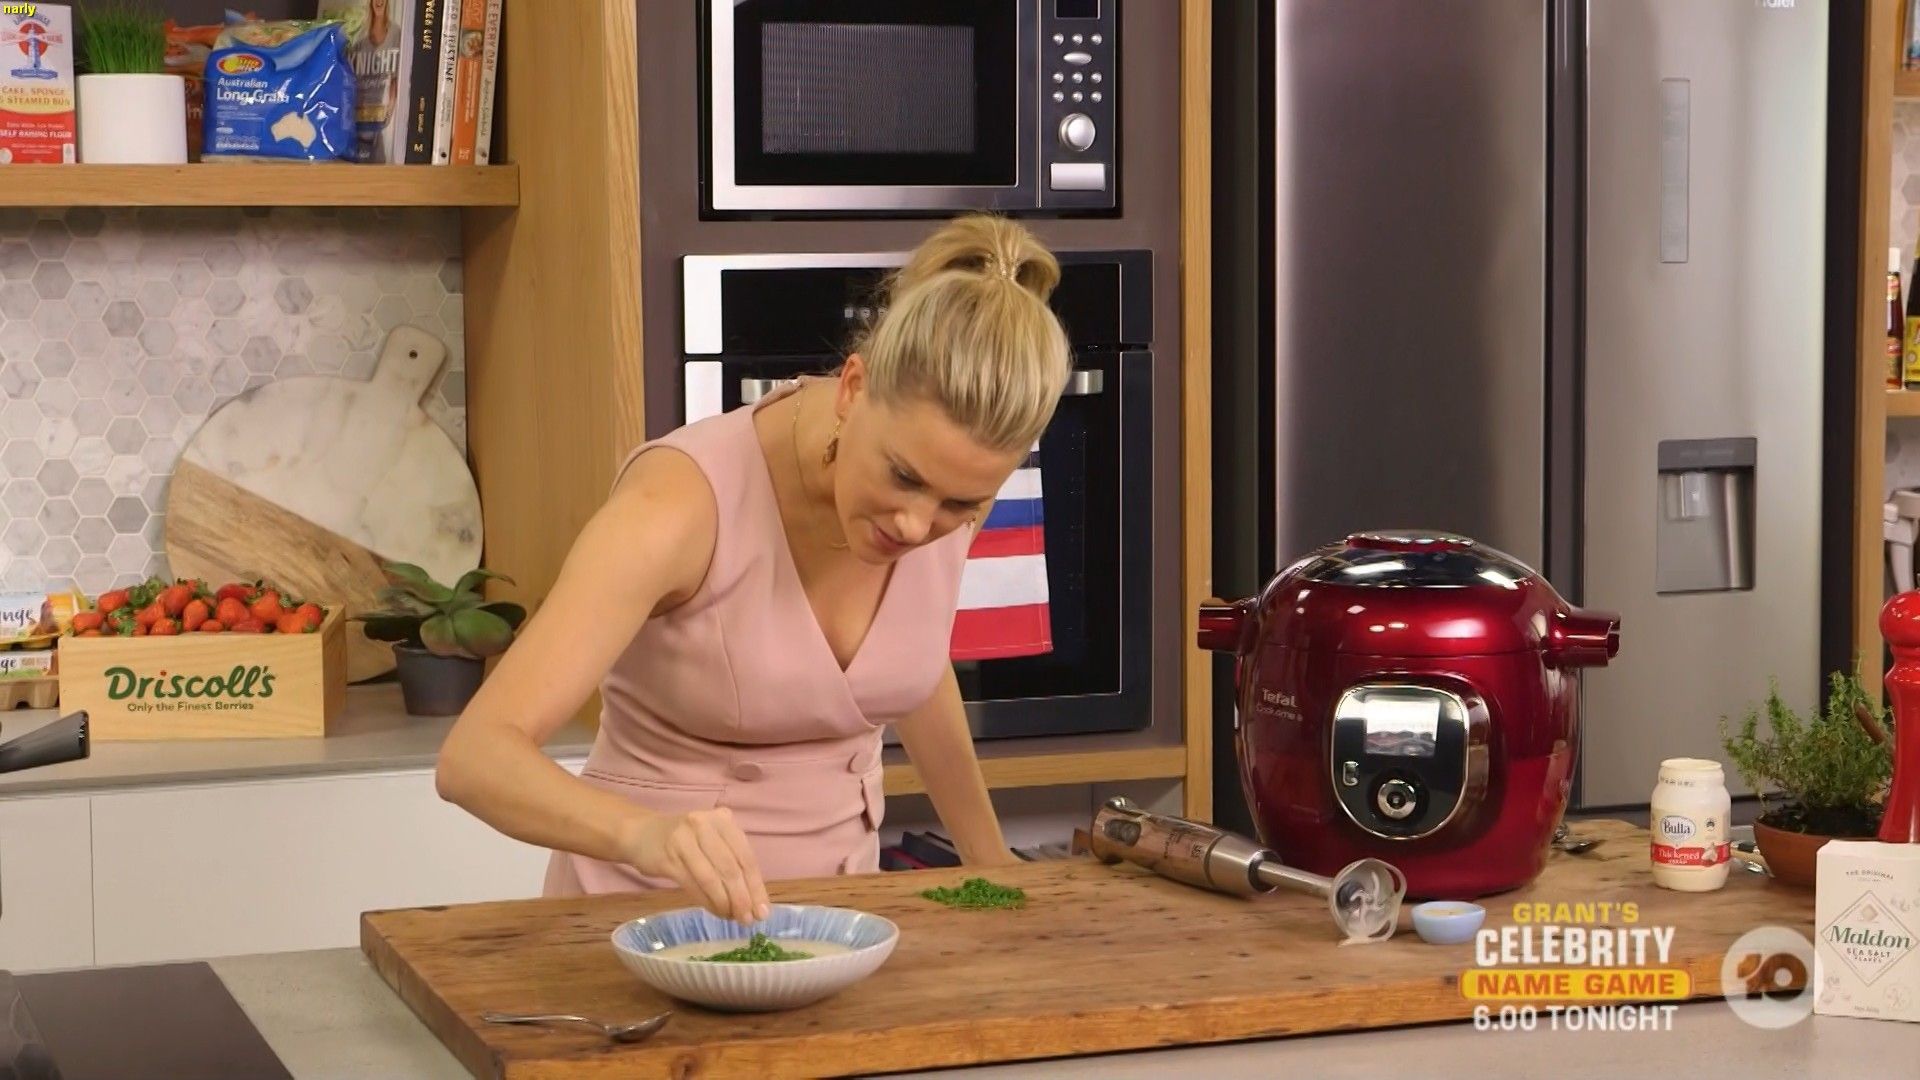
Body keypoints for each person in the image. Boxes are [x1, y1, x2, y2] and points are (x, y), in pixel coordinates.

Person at [436, 214, 1074, 925]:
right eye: (903, 477)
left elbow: (908, 663)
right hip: (639, 928)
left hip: (837, 929)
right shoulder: (678, 507)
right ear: (853, 388)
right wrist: (644, 835)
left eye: (960, 504)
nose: (916, 526)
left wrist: (990, 862)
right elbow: (475, 758)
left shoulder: (946, 494)